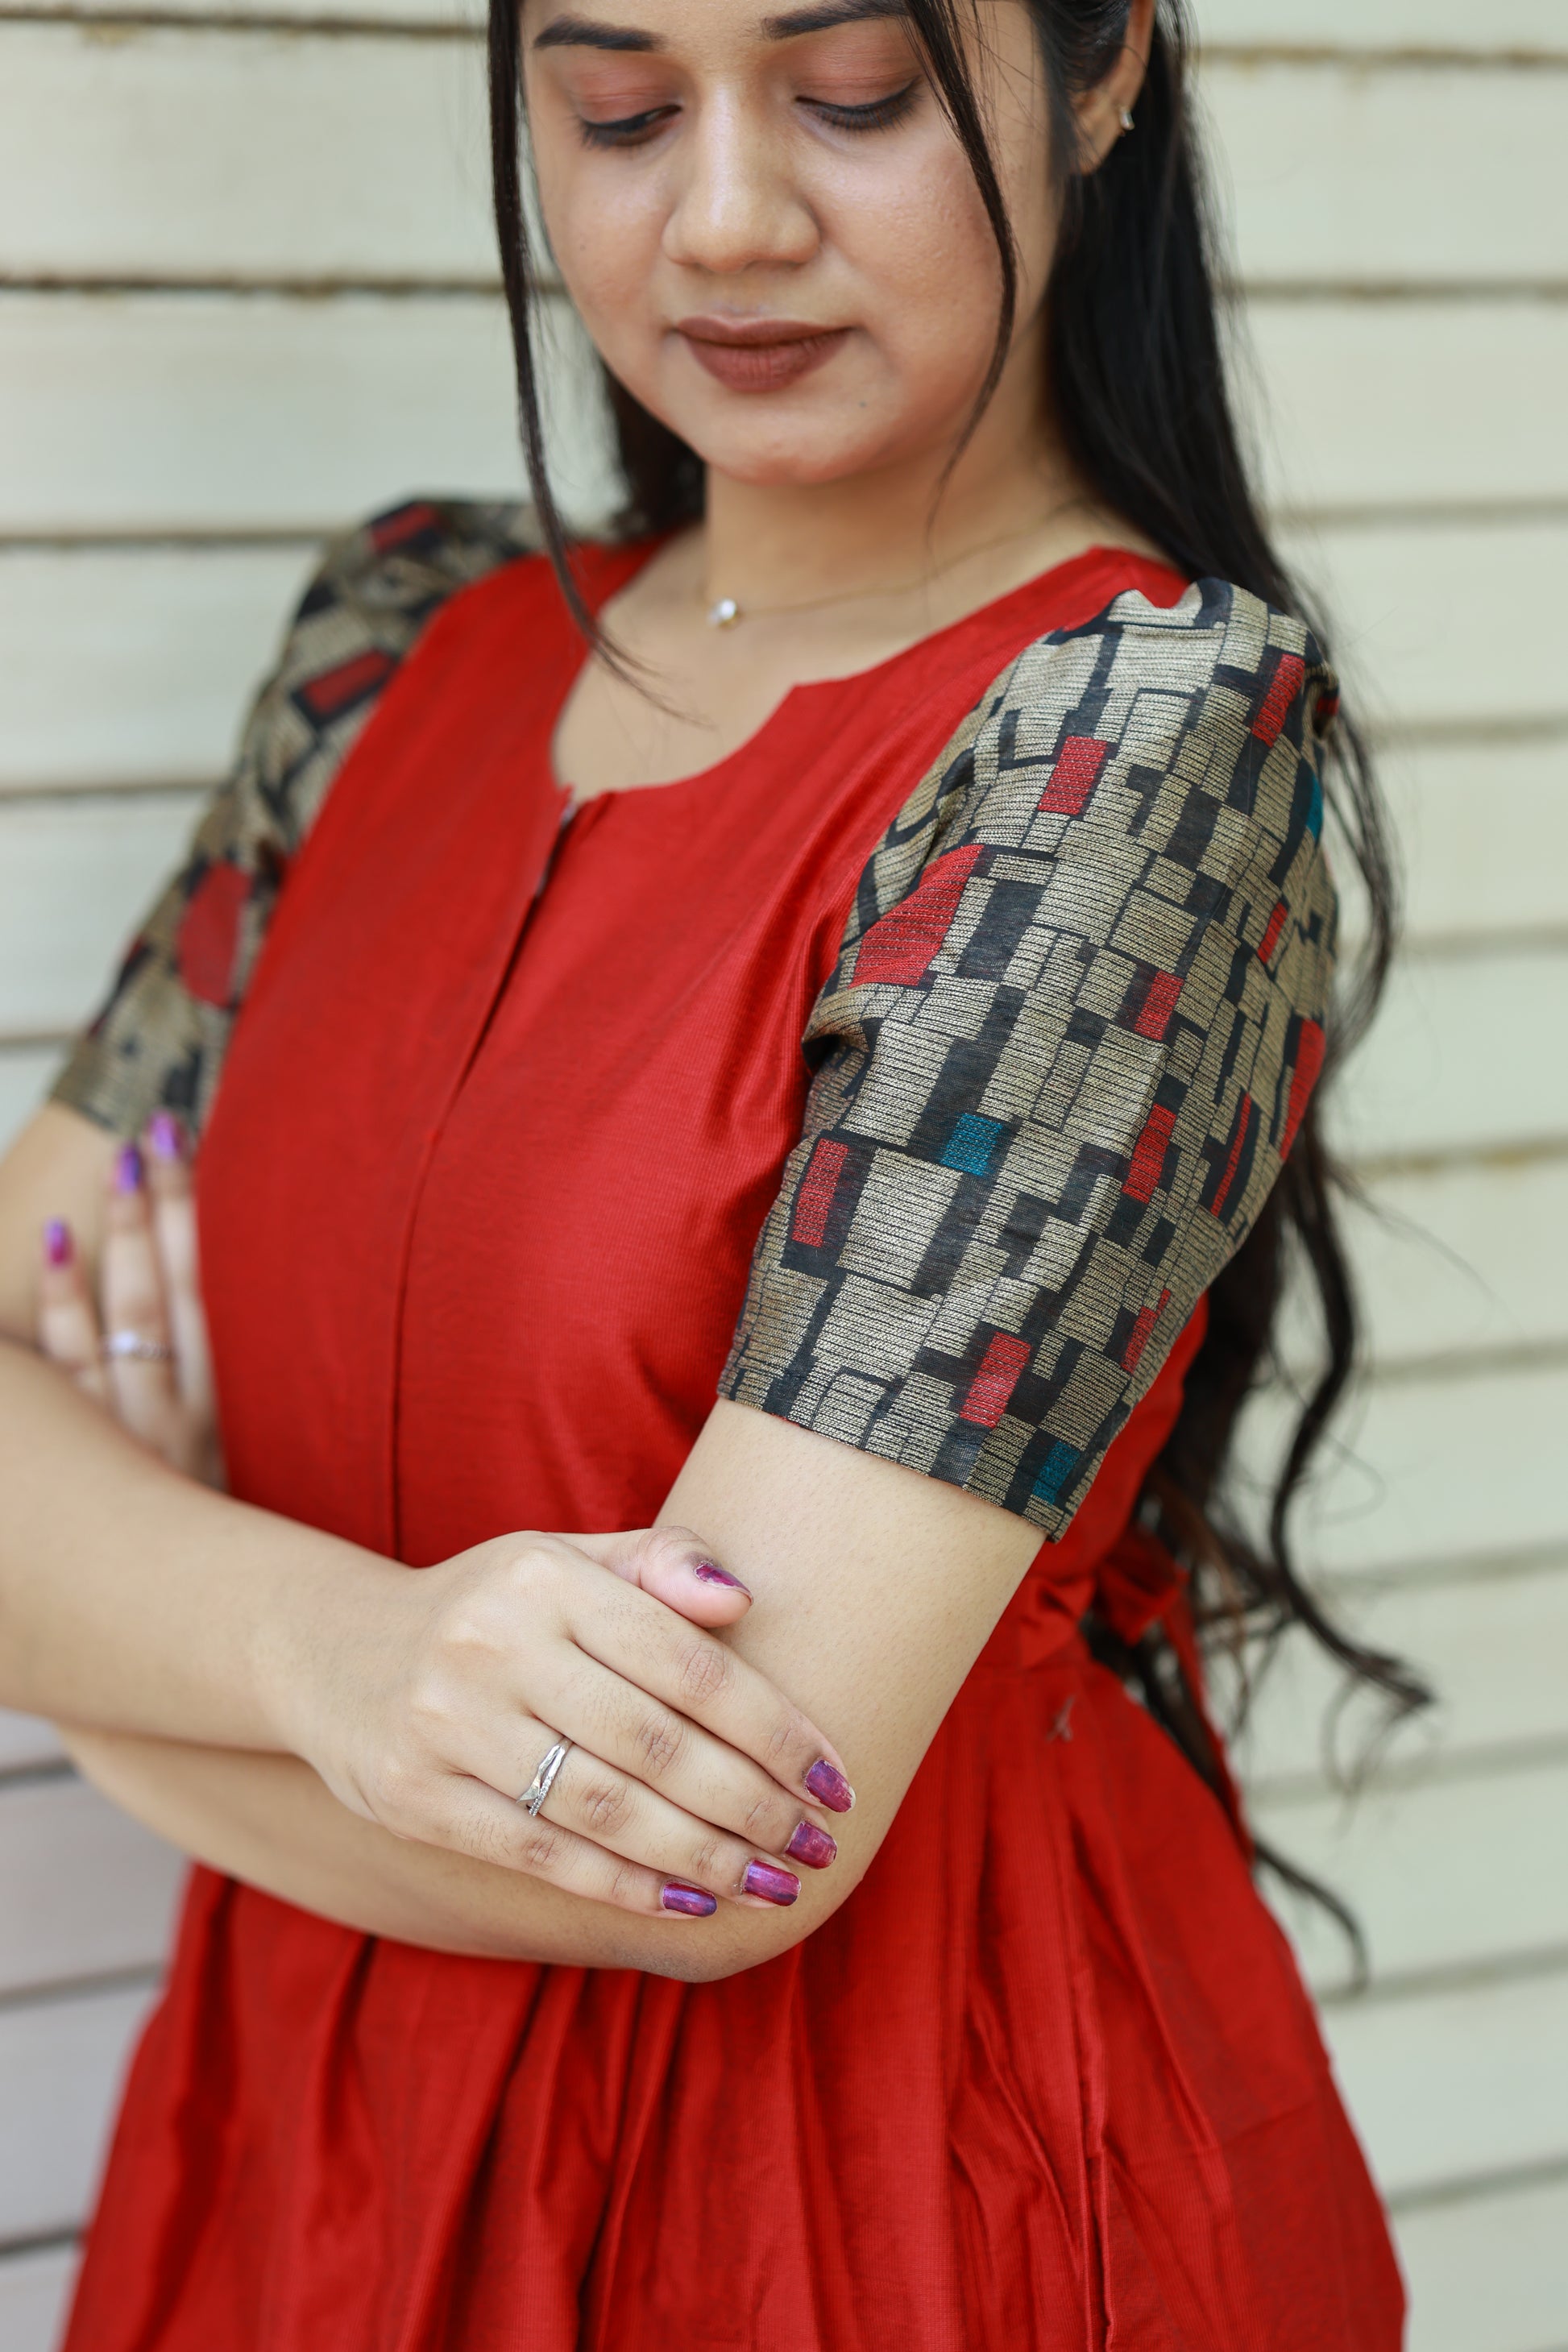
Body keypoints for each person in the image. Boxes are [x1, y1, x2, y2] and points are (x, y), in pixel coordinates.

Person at [0, 1, 1413, 2343]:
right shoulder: (392, 644)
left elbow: (719, 1851)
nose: (727, 219)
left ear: (1101, 74)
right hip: (300, 2159)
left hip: (865, 2201)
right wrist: (325, 1656)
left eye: (852, 96)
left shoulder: (1125, 740)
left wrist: (103, 1667)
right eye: (620, 110)